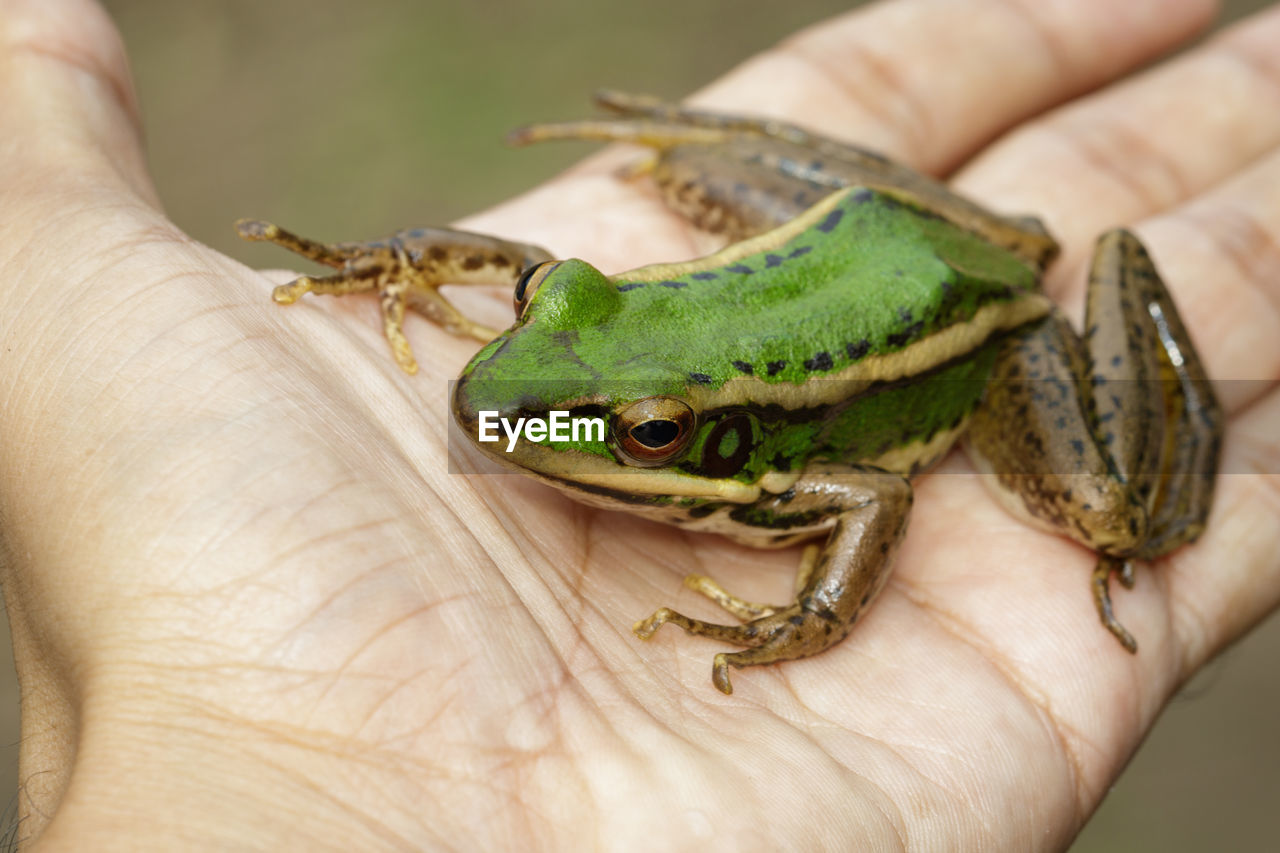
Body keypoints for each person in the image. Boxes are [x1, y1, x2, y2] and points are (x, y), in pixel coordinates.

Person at [1, 0, 1277, 847]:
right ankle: (696, 162)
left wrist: (810, 617)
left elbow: (869, 494)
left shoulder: (793, 472)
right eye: (547, 309)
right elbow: (525, 272)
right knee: (647, 210)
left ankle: (1151, 502)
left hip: (975, 321)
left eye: (647, 433)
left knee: (1109, 512)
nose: (497, 416)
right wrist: (397, 262)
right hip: (861, 234)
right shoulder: (530, 393)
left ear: (705, 444)